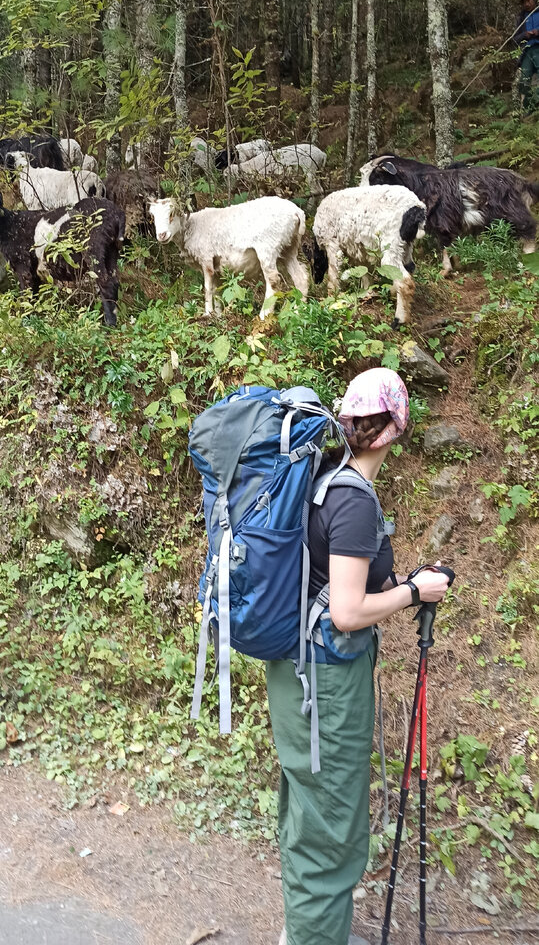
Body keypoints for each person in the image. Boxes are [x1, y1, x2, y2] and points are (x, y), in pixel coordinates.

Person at [266, 367, 451, 945]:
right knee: (331, 826)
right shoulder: (354, 502)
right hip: (327, 685)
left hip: (295, 671)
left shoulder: (321, 478)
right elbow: (347, 611)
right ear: (393, 430)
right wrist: (415, 591)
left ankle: (302, 932)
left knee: (308, 808)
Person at [513, 0, 539, 112]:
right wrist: (525, 35)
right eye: (524, 2)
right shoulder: (521, 18)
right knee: (524, 81)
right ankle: (529, 109)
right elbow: (515, 38)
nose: (527, 4)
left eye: (529, 0)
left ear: (534, 0)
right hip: (527, 51)